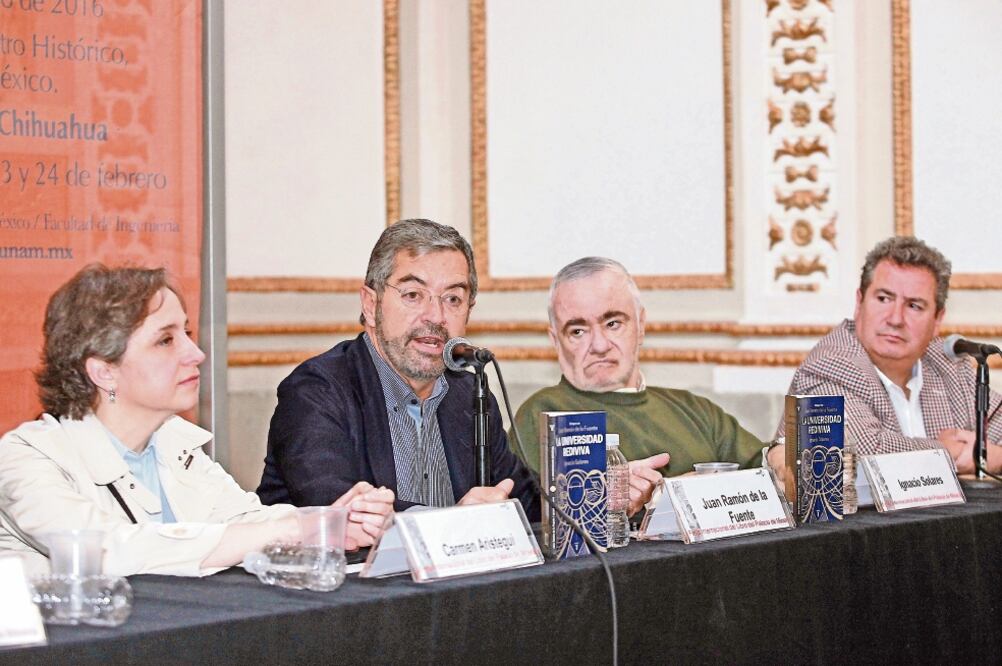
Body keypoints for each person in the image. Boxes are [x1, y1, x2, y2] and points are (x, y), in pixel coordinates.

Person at [0, 265, 394, 577]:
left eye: (187, 333)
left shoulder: (173, 442)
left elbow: (245, 519)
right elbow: (104, 549)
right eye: (165, 340)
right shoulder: (28, 457)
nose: (196, 353)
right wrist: (294, 530)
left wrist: (332, 521)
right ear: (104, 371)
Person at [258, 219, 539, 518]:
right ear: (370, 305)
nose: (436, 316)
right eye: (413, 295)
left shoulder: (471, 395)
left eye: (453, 299)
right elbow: (344, 512)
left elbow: (527, 505)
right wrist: (454, 523)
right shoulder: (316, 391)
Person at [511, 257, 779, 513]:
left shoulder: (694, 409)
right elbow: (544, 517)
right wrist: (610, 495)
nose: (600, 345)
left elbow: (767, 472)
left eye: (613, 323)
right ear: (555, 341)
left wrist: (782, 458)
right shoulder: (543, 416)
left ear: (641, 326)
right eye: (577, 331)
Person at [777, 236, 1002, 473]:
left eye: (914, 305)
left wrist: (993, 457)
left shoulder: (946, 363)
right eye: (884, 299)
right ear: (859, 302)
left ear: (937, 320)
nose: (895, 319)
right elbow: (864, 453)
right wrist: (947, 452)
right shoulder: (829, 367)